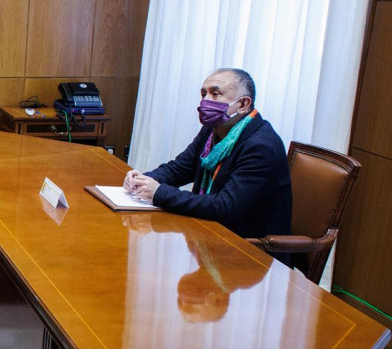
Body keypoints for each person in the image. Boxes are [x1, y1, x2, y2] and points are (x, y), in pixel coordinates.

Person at [124, 68, 292, 245]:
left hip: (247, 249)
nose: (205, 101)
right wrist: (143, 179)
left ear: (243, 104)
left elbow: (225, 206)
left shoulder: (261, 146)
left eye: (215, 93)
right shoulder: (212, 131)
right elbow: (179, 168)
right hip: (211, 233)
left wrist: (159, 193)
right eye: (203, 94)